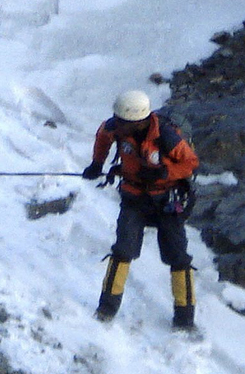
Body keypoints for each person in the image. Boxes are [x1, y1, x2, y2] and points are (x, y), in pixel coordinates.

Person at [82, 89, 200, 330]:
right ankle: (106, 309)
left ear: (138, 121)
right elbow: (103, 136)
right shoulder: (117, 126)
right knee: (122, 251)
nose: (118, 126)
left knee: (178, 258)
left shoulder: (166, 136)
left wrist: (164, 173)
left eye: (123, 123)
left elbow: (190, 163)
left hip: (166, 201)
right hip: (134, 197)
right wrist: (97, 163)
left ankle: (185, 320)